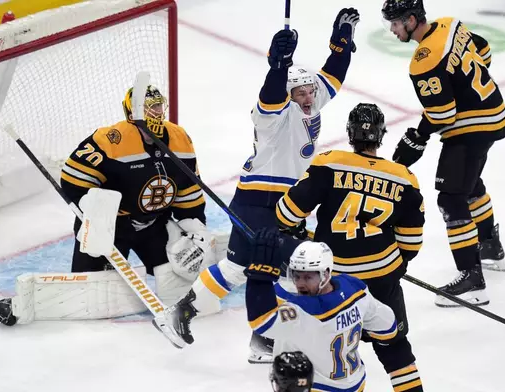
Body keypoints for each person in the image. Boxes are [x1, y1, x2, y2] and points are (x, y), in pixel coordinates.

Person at [153, 8, 361, 362]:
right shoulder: (272, 116)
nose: (309, 97)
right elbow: (271, 96)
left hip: (284, 203)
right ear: (289, 95)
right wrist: (278, 66)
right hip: (257, 201)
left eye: (310, 90)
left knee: (256, 269)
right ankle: (201, 321)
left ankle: (250, 336)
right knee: (276, 267)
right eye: (300, 93)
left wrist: (341, 40)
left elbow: (333, 77)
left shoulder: (310, 101)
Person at [0, 81, 217, 330]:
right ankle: (22, 305)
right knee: (90, 295)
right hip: (111, 227)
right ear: (132, 113)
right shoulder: (111, 139)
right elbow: (74, 177)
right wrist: (94, 217)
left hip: (156, 225)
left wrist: (194, 227)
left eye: (159, 106)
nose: (156, 113)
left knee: (184, 275)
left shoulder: (180, 139)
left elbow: (189, 189)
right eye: (149, 108)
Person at [275, 103, 425, 391]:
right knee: (394, 347)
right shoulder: (404, 177)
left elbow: (286, 214)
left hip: (333, 278)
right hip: (383, 275)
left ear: (350, 133)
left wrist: (297, 229)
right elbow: (412, 242)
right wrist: (391, 268)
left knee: (316, 350)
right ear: (381, 135)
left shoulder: (329, 163)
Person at [381, 0, 505, 307]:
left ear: (412, 20)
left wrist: (418, 136)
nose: (392, 29)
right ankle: (490, 246)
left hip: (471, 128)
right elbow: (485, 52)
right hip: (492, 112)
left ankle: (471, 280)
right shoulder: (451, 24)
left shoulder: (424, 60)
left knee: (450, 197)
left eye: (396, 23)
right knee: (468, 186)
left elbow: (442, 114)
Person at [245, 229, 400, 392]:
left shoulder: (305, 312)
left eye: (307, 277)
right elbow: (388, 327)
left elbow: (261, 321)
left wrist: (259, 276)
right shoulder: (354, 289)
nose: (300, 284)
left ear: (325, 274)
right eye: (297, 276)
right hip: (355, 384)